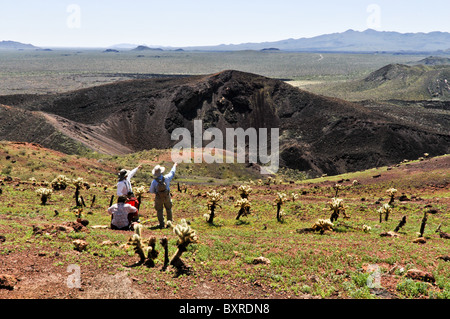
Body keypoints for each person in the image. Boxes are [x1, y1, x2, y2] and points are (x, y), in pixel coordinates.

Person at [149, 163, 177, 228]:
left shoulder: (154, 182)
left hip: (158, 197)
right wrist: (174, 166)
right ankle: (169, 222)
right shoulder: (167, 177)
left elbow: (151, 191)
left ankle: (161, 224)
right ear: (161, 172)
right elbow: (172, 173)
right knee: (168, 209)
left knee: (159, 210)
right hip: (167, 196)